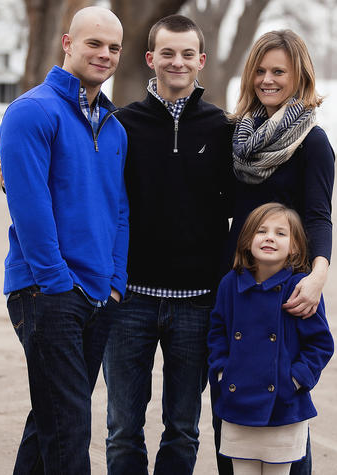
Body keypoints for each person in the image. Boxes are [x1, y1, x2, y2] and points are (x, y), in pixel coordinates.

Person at [99, 15, 234, 475]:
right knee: (122, 428)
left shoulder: (222, 129)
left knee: (183, 428)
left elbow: (252, 198)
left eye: (187, 54)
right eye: (167, 53)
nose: (177, 62)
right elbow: (86, 189)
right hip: (130, 300)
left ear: (201, 61)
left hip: (197, 305)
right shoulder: (121, 125)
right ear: (150, 58)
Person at [0, 6, 128, 474]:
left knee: (51, 419)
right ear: (68, 44)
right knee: (70, 430)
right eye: (94, 43)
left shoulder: (114, 127)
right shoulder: (31, 113)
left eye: (114, 47)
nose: (105, 54)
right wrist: (56, 285)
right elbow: (29, 209)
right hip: (47, 292)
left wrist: (115, 280)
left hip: (98, 294)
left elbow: (119, 209)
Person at [214, 29, 336, 475]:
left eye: (278, 71)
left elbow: (319, 216)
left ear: (298, 75)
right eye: (260, 71)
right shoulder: (234, 136)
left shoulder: (312, 142)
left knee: (286, 419)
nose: (268, 79)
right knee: (231, 421)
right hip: (236, 281)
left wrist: (318, 276)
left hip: (288, 287)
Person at [208, 203, 334, 475]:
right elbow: (217, 332)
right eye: (261, 231)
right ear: (246, 240)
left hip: (283, 408)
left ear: (296, 247)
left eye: (280, 233)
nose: (269, 237)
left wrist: (294, 380)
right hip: (238, 404)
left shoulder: (300, 288)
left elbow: (321, 344)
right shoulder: (231, 284)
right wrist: (222, 372)